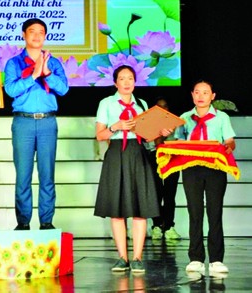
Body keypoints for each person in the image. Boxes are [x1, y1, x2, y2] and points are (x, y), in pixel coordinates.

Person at [94, 65, 172, 273]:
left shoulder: (142, 104)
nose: (127, 82)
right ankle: (122, 258)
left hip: (138, 155)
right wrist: (115, 127)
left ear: (135, 82)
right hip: (117, 153)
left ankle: (137, 258)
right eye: (122, 78)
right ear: (115, 83)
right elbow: (100, 135)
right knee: (117, 210)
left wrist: (160, 132)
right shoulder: (107, 103)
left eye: (130, 78)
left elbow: (148, 136)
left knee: (140, 208)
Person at [3, 18, 69, 231]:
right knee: (23, 175)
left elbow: (64, 89)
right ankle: (23, 223)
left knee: (47, 174)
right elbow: (11, 90)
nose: (37, 36)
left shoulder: (54, 63)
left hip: (48, 121)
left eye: (41, 32)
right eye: (32, 32)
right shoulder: (13, 63)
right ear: (24, 34)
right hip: (23, 122)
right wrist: (33, 75)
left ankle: (46, 222)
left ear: (45, 36)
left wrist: (46, 72)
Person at [175, 79, 236, 276]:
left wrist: (228, 147)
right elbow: (178, 142)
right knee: (195, 213)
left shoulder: (222, 117)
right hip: (191, 168)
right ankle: (196, 258)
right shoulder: (184, 117)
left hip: (215, 168)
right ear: (192, 95)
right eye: (197, 92)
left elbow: (229, 141)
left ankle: (217, 260)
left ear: (213, 96)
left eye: (205, 92)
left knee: (214, 212)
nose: (201, 96)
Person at [146, 97, 182, 241]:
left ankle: (169, 226)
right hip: (153, 157)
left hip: (171, 157)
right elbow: (147, 144)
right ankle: (156, 225)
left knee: (170, 193)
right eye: (159, 107)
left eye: (165, 106)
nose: (163, 109)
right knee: (155, 193)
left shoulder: (176, 122)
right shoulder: (148, 123)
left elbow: (180, 141)